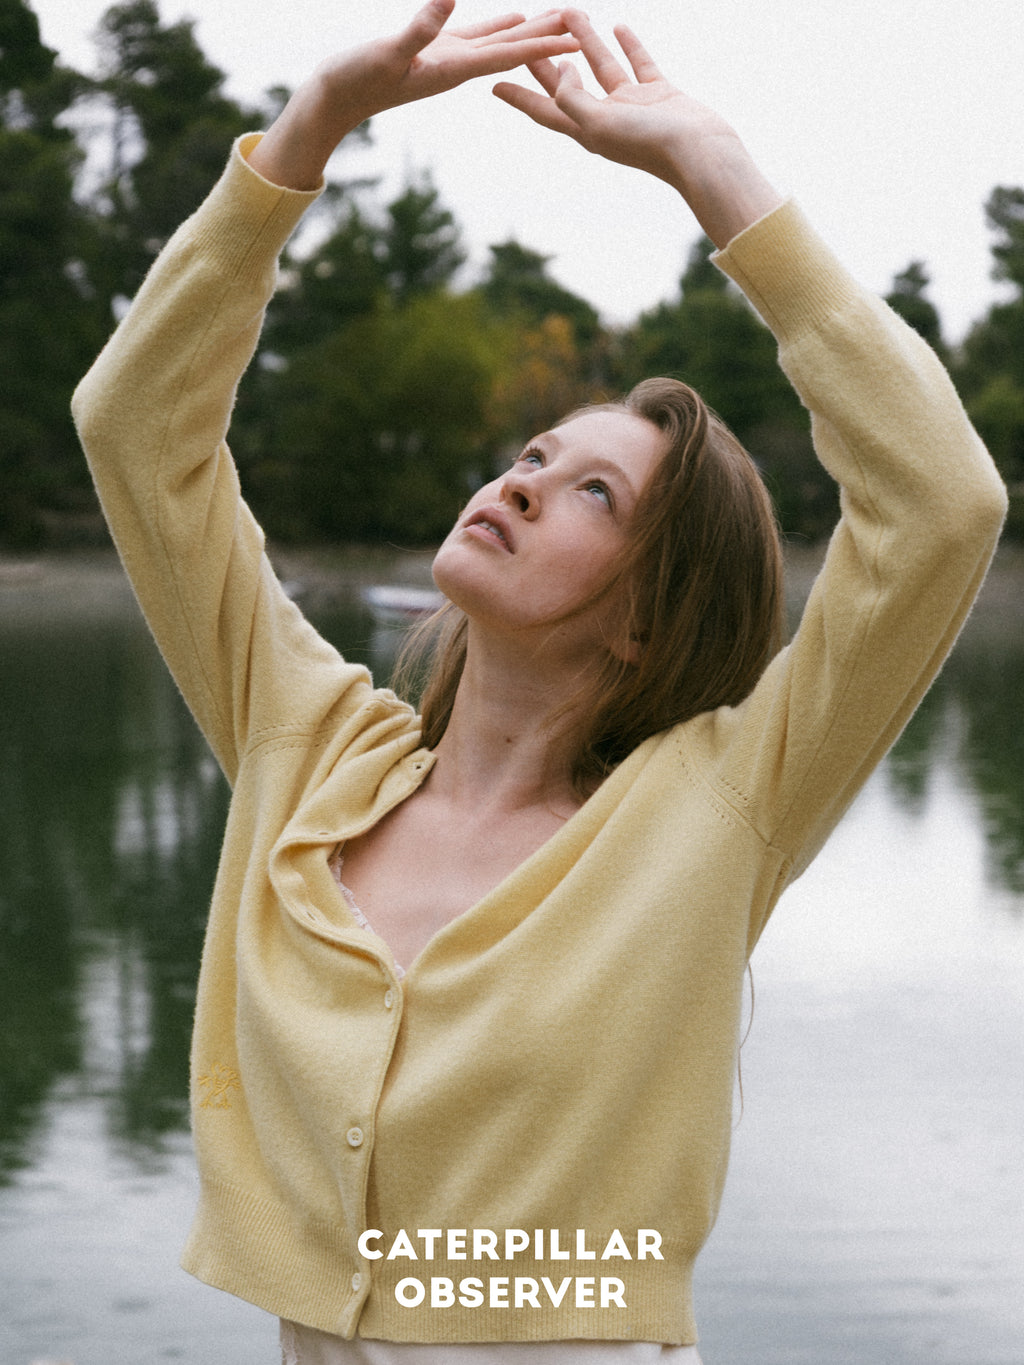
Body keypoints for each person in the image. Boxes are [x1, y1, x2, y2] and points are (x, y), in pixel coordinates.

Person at [72, 3, 1007, 1362]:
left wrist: (715, 173)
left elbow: (941, 507)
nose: (517, 479)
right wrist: (311, 127)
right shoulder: (308, 746)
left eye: (591, 491)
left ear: (647, 615)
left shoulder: (717, 808)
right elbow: (134, 425)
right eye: (529, 451)